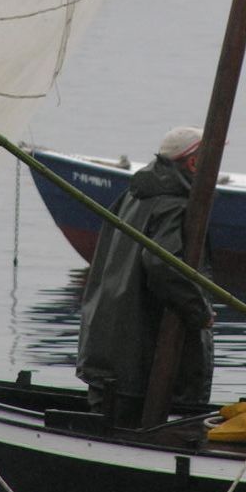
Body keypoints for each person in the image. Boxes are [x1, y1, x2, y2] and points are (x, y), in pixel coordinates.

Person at [76, 126, 215, 426]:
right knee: (137, 433)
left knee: (106, 430)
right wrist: (200, 312)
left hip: (106, 351)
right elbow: (162, 266)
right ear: (193, 164)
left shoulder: (133, 194)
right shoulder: (174, 204)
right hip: (137, 362)